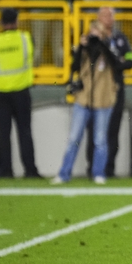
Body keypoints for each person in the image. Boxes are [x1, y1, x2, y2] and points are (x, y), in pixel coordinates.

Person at [53, 20, 121, 185]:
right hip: (83, 99)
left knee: (100, 140)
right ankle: (63, 174)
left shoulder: (109, 48)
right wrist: (82, 47)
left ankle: (98, 173)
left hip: (103, 99)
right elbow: (74, 67)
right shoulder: (83, 50)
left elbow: (117, 65)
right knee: (74, 138)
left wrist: (103, 44)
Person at [0, 9, 41, 179]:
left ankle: (5, 172)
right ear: (17, 21)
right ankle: (30, 170)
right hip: (21, 91)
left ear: (1, 23)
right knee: (24, 132)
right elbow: (31, 56)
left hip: (0, 92)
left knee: (3, 134)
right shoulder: (25, 38)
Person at [85, 7, 132, 178]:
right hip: (96, 90)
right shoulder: (93, 38)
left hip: (116, 88)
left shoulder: (119, 38)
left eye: (111, 15)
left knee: (113, 129)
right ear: (98, 18)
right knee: (94, 129)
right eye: (105, 15)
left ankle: (109, 169)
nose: (108, 19)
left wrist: (116, 64)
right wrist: (117, 62)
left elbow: (130, 61)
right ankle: (92, 167)